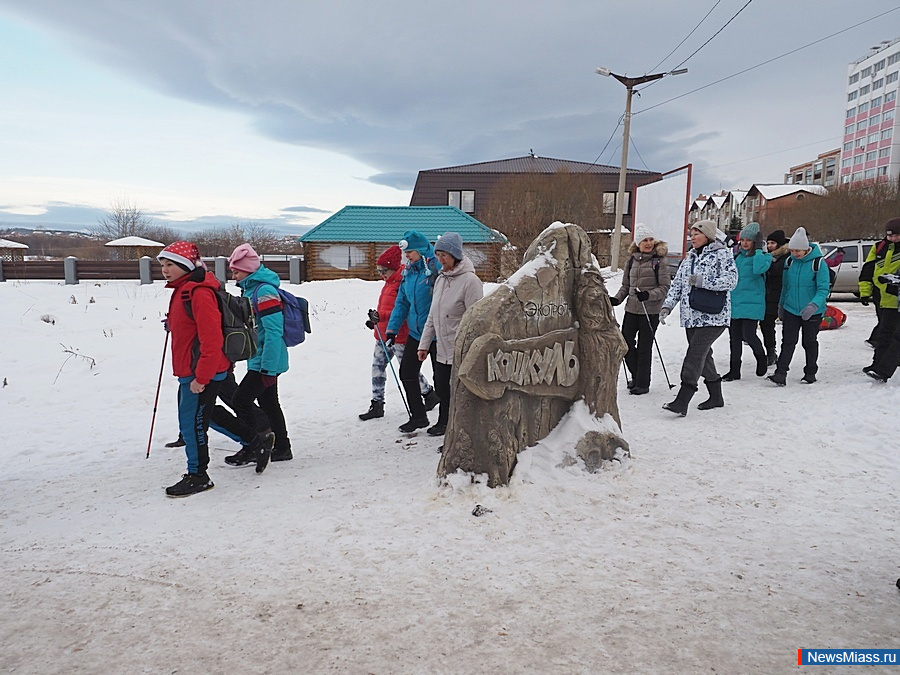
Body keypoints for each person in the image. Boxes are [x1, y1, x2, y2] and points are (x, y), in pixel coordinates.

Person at [157, 241, 259, 497]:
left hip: (199, 371)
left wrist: (201, 377)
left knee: (193, 425)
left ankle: (198, 475)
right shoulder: (184, 290)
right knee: (203, 418)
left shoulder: (198, 292)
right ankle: (254, 442)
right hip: (191, 369)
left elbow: (212, 338)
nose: (165, 270)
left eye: (170, 264)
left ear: (185, 266)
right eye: (162, 265)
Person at [216, 243, 292, 465]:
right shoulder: (250, 289)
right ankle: (282, 448)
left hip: (267, 360)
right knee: (269, 403)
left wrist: (268, 367)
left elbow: (274, 330)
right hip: (259, 359)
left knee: (241, 400)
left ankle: (254, 444)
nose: (233, 274)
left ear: (248, 270)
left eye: (236, 270)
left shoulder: (264, 291)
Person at [659, 219, 738, 416]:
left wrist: (704, 281)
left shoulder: (722, 255)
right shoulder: (690, 258)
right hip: (691, 316)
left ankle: (683, 399)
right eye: (691, 233)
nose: (692, 237)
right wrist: (667, 306)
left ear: (708, 236)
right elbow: (677, 284)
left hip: (714, 317)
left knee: (694, 355)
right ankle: (716, 396)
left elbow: (731, 280)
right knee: (704, 356)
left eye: (697, 233)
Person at [359, 245, 439, 421]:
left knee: (408, 372)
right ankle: (377, 403)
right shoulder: (387, 284)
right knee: (377, 368)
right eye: (379, 270)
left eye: (384, 270)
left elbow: (401, 310)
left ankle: (428, 393)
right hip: (382, 335)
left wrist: (382, 316)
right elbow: (385, 308)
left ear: (393, 268)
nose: (381, 274)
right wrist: (375, 321)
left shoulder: (402, 282)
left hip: (400, 337)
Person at [417, 232, 483, 436]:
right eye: (438, 255)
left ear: (455, 255)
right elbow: (432, 315)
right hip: (441, 350)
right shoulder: (440, 280)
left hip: (459, 349)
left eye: (444, 255)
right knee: (442, 389)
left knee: (458, 393)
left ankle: (459, 432)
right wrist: (424, 344)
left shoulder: (470, 281)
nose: (440, 259)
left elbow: (476, 320)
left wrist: (470, 349)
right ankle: (444, 423)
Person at [386, 230, 442, 433]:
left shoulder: (436, 267)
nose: (407, 255)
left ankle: (444, 421)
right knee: (407, 372)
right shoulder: (408, 272)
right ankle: (418, 417)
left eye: (410, 252)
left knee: (441, 379)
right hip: (416, 332)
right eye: (406, 252)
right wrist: (392, 329)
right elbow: (401, 302)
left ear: (420, 249)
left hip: (438, 335)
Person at [609, 223, 671, 395]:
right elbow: (626, 285)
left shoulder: (659, 261)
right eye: (645, 240)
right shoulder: (631, 260)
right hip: (632, 308)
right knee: (625, 342)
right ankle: (636, 376)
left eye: (651, 239)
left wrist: (648, 295)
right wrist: (616, 299)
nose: (649, 243)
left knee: (645, 347)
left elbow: (665, 287)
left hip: (650, 310)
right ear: (638, 243)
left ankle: (642, 383)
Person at [767, 227, 830, 386]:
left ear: (806, 248)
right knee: (788, 341)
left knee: (809, 342)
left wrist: (813, 305)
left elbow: (823, 289)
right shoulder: (789, 262)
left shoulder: (818, 263)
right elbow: (785, 286)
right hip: (791, 309)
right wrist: (781, 305)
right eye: (792, 250)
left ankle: (810, 372)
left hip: (812, 311)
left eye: (798, 251)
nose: (795, 254)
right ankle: (780, 373)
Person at [722, 222, 772, 381]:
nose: (744, 243)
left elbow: (758, 269)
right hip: (735, 303)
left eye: (748, 240)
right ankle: (734, 370)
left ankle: (761, 357)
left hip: (752, 303)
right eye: (742, 240)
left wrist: (758, 250)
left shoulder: (764, 257)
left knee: (749, 335)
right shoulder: (736, 257)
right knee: (734, 337)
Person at [859, 218, 900, 365]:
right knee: (884, 332)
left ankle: (887, 366)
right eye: (890, 236)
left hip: (896, 296)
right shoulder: (879, 247)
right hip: (880, 296)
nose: (893, 239)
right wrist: (864, 292)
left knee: (893, 334)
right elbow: (868, 269)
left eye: (896, 236)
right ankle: (878, 364)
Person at [760, 229, 790, 367]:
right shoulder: (769, 256)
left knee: (786, 328)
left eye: (773, 243)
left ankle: (781, 356)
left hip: (781, 295)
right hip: (769, 295)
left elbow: (777, 272)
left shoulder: (786, 257)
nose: (770, 245)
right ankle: (771, 352)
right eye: (768, 243)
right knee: (766, 325)